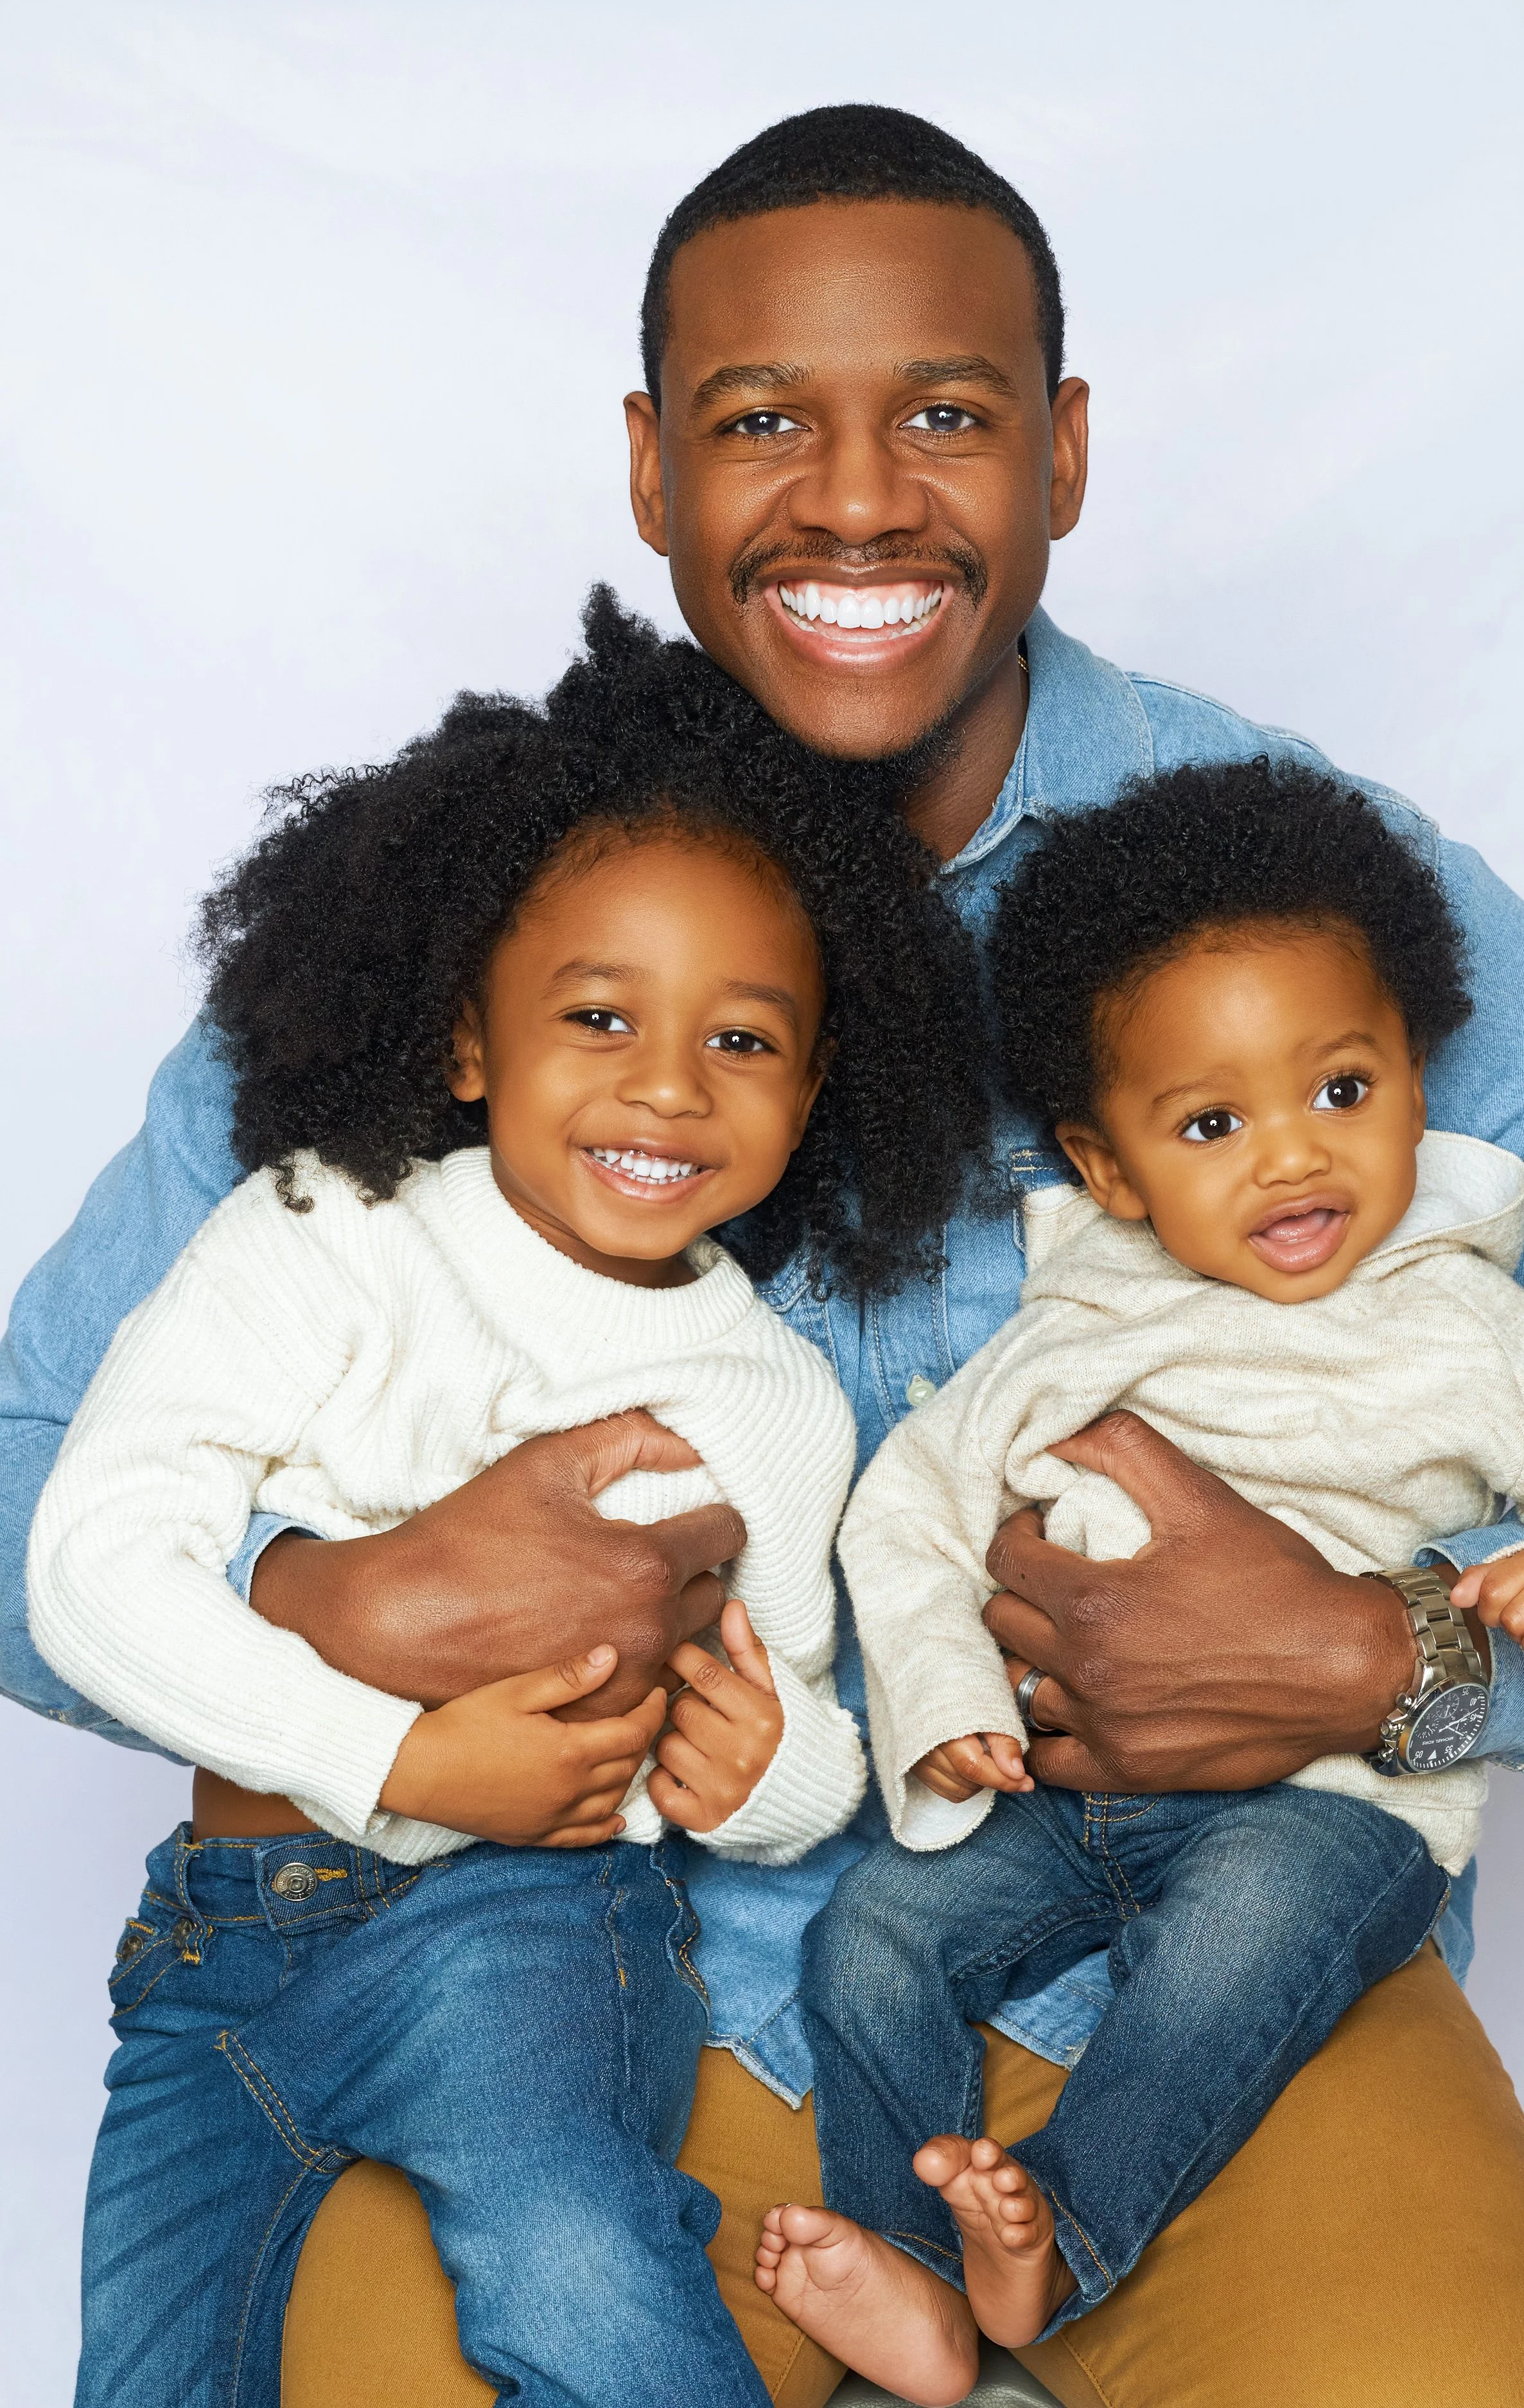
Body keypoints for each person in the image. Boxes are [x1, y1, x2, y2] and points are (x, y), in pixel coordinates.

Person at [3, 101, 1524, 2408]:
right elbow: (29, 1464)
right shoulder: (459, 913)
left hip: (1192, 1996)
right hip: (537, 1994)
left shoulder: (1319, 921)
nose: (857, 503)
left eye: (947, 416)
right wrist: (308, 1600)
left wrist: (1395, 1670)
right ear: (650, 469)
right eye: (763, 425)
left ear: (1063, 451)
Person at [23, 598, 988, 2408]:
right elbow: (89, 1563)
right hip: (219, 1943)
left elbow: (808, 1743)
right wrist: (396, 1755)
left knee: (574, 2266)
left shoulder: (765, 1397)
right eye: (599, 1013)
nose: (662, 1083)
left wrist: (763, 1768)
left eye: (743, 1041)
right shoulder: (323, 1229)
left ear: (812, 1093)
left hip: (525, 1932)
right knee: (148, 2371)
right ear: (468, 1042)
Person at [758, 761, 1524, 2402]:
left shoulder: (1465, 1327)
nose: (1291, 1160)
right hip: (1061, 1794)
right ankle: (914, 2280)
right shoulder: (1075, 1329)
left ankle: (1058, 2237)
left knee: (1230, 1953)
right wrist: (936, 1708)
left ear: (1417, 1090)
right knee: (871, 1937)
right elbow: (906, 1515)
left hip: (1330, 1809)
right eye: (1212, 1125)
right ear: (1114, 1167)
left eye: (1341, 1092)